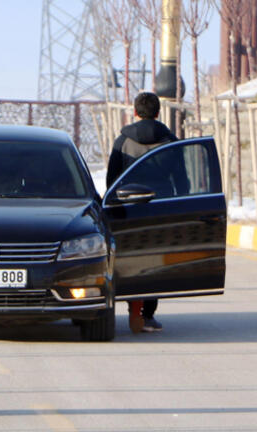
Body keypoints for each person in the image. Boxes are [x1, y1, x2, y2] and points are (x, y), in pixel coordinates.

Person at [106, 92, 177, 334]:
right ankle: (147, 314)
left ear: (135, 113)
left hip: (127, 210)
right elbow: (182, 178)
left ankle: (132, 307)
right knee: (154, 260)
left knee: (129, 260)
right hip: (159, 209)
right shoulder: (170, 140)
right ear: (158, 113)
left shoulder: (122, 141)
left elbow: (111, 179)